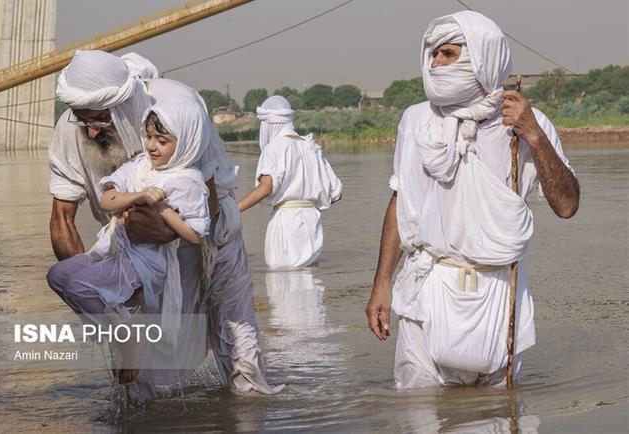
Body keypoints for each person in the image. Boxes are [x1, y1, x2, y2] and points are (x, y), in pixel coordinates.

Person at [365, 11, 579, 388]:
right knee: (418, 415)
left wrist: (533, 136)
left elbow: (566, 206)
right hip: (426, 289)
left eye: (448, 53)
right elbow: (402, 202)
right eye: (432, 54)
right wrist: (381, 283)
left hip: (498, 293)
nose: (435, 63)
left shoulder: (527, 123)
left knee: (496, 416)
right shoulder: (416, 120)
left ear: (481, 57)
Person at [47, 50, 281, 395]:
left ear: (124, 103)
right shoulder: (71, 131)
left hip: (211, 237)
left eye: (99, 119)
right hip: (139, 251)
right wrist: (105, 310)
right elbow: (62, 217)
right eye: (83, 120)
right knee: (146, 377)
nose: (92, 132)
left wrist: (159, 223)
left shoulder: (177, 106)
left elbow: (207, 199)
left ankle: (247, 415)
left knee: (238, 350)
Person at [47, 95, 211, 383]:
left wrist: (163, 211)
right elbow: (107, 199)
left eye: (162, 140)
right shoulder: (139, 166)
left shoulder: (187, 181)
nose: (151, 146)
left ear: (184, 142)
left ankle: (127, 336)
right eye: (149, 137)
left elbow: (194, 235)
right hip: (118, 253)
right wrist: (138, 196)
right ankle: (121, 334)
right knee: (58, 275)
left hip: (148, 264)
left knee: (78, 287)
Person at [238, 96, 343, 269]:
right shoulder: (311, 147)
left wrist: (233, 210)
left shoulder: (274, 147)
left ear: (269, 124)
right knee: (309, 281)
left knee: (284, 285)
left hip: (286, 221)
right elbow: (336, 193)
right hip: (312, 222)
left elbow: (266, 187)